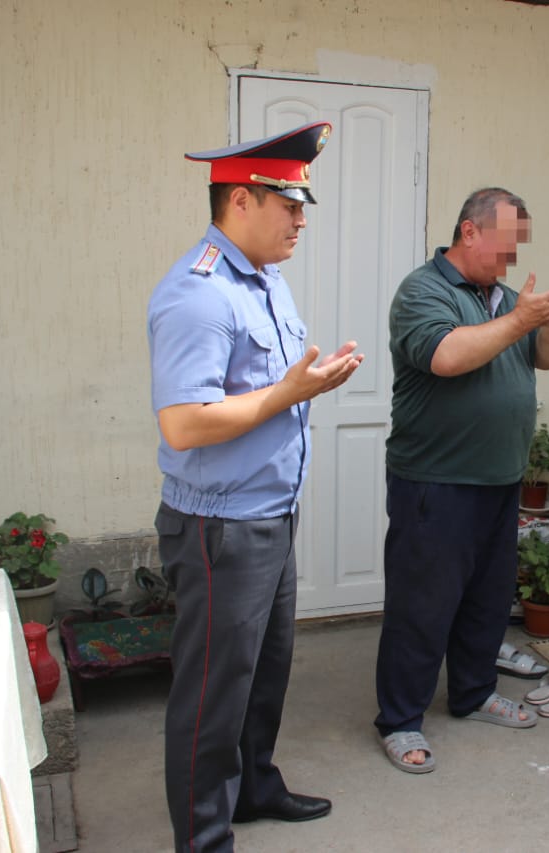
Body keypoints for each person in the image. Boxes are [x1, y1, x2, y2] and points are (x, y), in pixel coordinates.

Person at [147, 121, 364, 851]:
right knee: (212, 695)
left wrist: (308, 384)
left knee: (264, 673)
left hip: (270, 514)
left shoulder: (265, 278)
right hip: (222, 529)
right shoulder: (200, 294)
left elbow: (266, 387)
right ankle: (203, 837)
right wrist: (289, 392)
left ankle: (254, 787)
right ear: (241, 200)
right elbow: (185, 424)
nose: (302, 219)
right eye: (289, 204)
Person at [374, 187, 549, 773]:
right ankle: (400, 720)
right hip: (435, 481)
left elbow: (545, 357)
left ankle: (472, 693)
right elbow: (446, 356)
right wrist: (522, 318)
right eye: (506, 244)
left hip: (499, 479)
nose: (513, 258)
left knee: (486, 603)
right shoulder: (423, 291)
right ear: (470, 231)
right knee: (422, 608)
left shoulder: (508, 299)